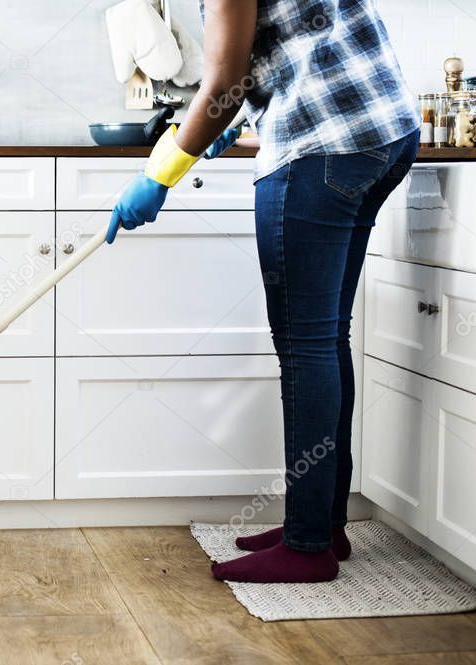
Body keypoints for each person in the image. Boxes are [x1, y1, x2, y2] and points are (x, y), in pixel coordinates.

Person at [108, 0, 420, 583]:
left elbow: (224, 78)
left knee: (305, 347)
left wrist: (160, 175)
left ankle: (307, 548)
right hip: (382, 134)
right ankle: (322, 525)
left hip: (322, 145)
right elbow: (269, 55)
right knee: (325, 340)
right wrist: (234, 119)